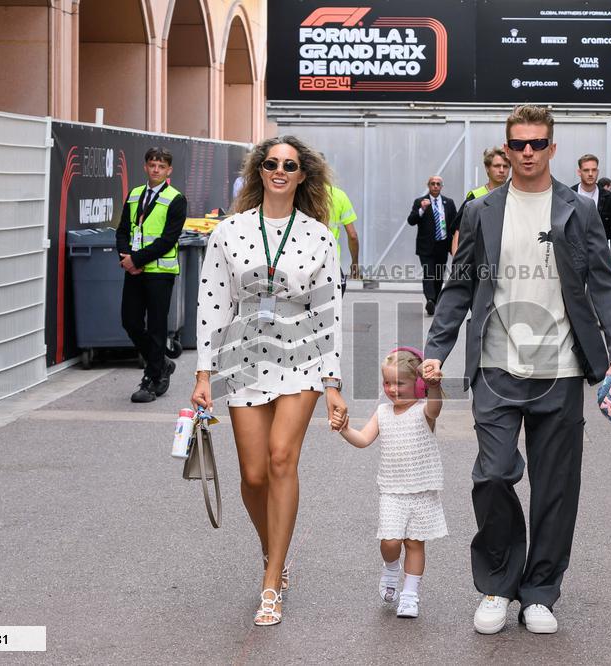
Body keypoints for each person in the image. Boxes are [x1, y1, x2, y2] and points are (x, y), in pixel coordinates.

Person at [421, 105, 611, 635]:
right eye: (519, 144)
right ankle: (498, 583)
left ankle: (539, 591)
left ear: (552, 148)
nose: (528, 153)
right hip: (496, 366)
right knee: (492, 476)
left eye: (538, 143)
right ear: (506, 148)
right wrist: (437, 348)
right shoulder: (481, 210)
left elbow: (604, 285)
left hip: (560, 368)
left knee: (555, 486)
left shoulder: (577, 210)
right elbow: (459, 286)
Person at [191, 135, 347, 627]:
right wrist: (203, 373)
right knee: (253, 475)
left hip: (300, 356)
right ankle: (271, 549)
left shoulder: (319, 235)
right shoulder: (228, 232)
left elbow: (329, 312)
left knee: (283, 458)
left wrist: (333, 381)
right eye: (272, 163)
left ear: (303, 176)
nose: (280, 170)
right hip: (242, 359)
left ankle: (272, 580)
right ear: (260, 171)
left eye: (290, 165)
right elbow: (213, 303)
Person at [331, 347, 447, 620]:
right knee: (391, 541)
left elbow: (436, 407)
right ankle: (391, 567)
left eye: (400, 383)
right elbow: (363, 440)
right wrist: (345, 429)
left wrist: (433, 388)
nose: (393, 389)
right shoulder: (382, 412)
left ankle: (409, 595)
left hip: (422, 489)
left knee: (416, 544)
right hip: (392, 491)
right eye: (387, 383)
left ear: (417, 384)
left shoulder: (423, 412)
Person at [115, 147, 186, 403]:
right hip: (134, 270)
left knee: (156, 326)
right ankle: (161, 362)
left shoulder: (176, 199)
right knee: (130, 321)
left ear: (169, 171)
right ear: (145, 167)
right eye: (152, 165)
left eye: (161, 166)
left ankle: (153, 378)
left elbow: (168, 239)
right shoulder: (135, 194)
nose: (156, 170)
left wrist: (138, 259)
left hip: (160, 273)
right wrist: (125, 258)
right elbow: (123, 229)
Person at [406, 176, 456, 316]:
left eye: (438, 184)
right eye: (432, 184)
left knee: (439, 275)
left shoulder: (448, 203)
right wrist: (421, 210)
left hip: (442, 244)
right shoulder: (420, 202)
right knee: (429, 273)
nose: (435, 186)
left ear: (441, 186)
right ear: (428, 185)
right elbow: (411, 221)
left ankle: (436, 300)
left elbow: (455, 223)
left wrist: (454, 244)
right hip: (426, 246)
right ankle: (430, 300)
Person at [451, 147, 511, 255]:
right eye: (497, 166)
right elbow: (459, 232)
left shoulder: (514, 196)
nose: (502, 170)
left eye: (505, 166)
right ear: (487, 168)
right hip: (479, 257)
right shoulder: (475, 197)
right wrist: (458, 266)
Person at [571, 154, 611, 268]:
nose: (590, 174)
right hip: (574, 256)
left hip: (601, 256)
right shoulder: (569, 195)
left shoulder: (609, 198)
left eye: (594, 170)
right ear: (579, 172)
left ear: (598, 171)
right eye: (586, 170)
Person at [327, 183, 360, 294]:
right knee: (331, 309)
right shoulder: (339, 195)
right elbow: (353, 235)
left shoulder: (300, 193)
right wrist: (354, 263)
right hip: (331, 263)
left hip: (302, 264)